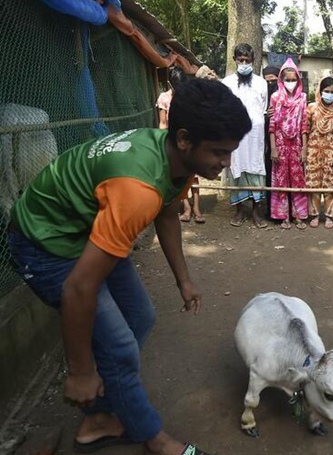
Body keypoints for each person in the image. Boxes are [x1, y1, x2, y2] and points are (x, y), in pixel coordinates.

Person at [6, 78, 250, 455]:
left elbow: (168, 215)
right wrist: (80, 372)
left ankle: (100, 417)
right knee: (119, 345)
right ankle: (155, 439)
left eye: (230, 152)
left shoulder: (176, 161)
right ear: (184, 139)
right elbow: (78, 289)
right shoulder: (138, 189)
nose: (226, 163)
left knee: (140, 317)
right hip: (45, 241)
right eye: (219, 152)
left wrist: (184, 279)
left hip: (88, 227)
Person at [222, 43, 270, 228]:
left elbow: (263, 108)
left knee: (256, 169)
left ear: (253, 61)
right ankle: (240, 211)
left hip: (255, 136)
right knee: (237, 168)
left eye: (247, 60)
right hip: (235, 136)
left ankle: (257, 213)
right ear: (234, 60)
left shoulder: (261, 83)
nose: (243, 63)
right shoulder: (226, 83)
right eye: (240, 60)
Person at [156, 68, 206, 225]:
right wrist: (163, 144)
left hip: (191, 139)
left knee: (194, 175)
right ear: (170, 84)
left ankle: (197, 208)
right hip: (174, 141)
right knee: (179, 176)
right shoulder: (164, 98)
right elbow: (163, 123)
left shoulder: (191, 96)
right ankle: (186, 208)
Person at [269, 58, 309, 230]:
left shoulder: (302, 98)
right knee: (281, 180)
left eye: (294, 80)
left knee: (298, 181)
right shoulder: (275, 97)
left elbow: (304, 125)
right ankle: (283, 216)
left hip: (297, 145)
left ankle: (299, 216)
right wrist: (273, 148)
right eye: (288, 79)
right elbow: (272, 125)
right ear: (281, 80)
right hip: (280, 144)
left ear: (298, 80)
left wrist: (305, 148)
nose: (290, 83)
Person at [305, 77, 333, 229]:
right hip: (313, 150)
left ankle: (329, 216)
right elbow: (305, 130)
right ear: (320, 92)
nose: (329, 94)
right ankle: (314, 215)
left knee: (330, 184)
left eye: (332, 92)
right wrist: (304, 150)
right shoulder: (311, 108)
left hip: (331, 151)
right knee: (313, 183)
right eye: (326, 91)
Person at [262, 65, 281, 219]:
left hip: (285, 142)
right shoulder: (261, 95)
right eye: (267, 82)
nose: (271, 85)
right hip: (267, 143)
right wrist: (265, 114)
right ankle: (270, 210)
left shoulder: (283, 95)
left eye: (274, 81)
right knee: (269, 176)